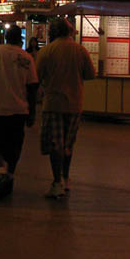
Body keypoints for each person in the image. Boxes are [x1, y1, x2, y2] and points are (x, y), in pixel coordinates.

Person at [35, 17, 95, 198]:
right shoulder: (80, 50)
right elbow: (90, 74)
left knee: (56, 144)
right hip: (75, 103)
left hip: (53, 103)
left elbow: (37, 76)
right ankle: (66, 177)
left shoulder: (46, 51)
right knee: (68, 144)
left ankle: (56, 181)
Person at [0, 24, 38, 199]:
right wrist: (32, 111)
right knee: (15, 146)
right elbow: (32, 87)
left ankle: (1, 171)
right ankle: (10, 173)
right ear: (20, 39)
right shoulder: (26, 58)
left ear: (5, 37)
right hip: (19, 109)